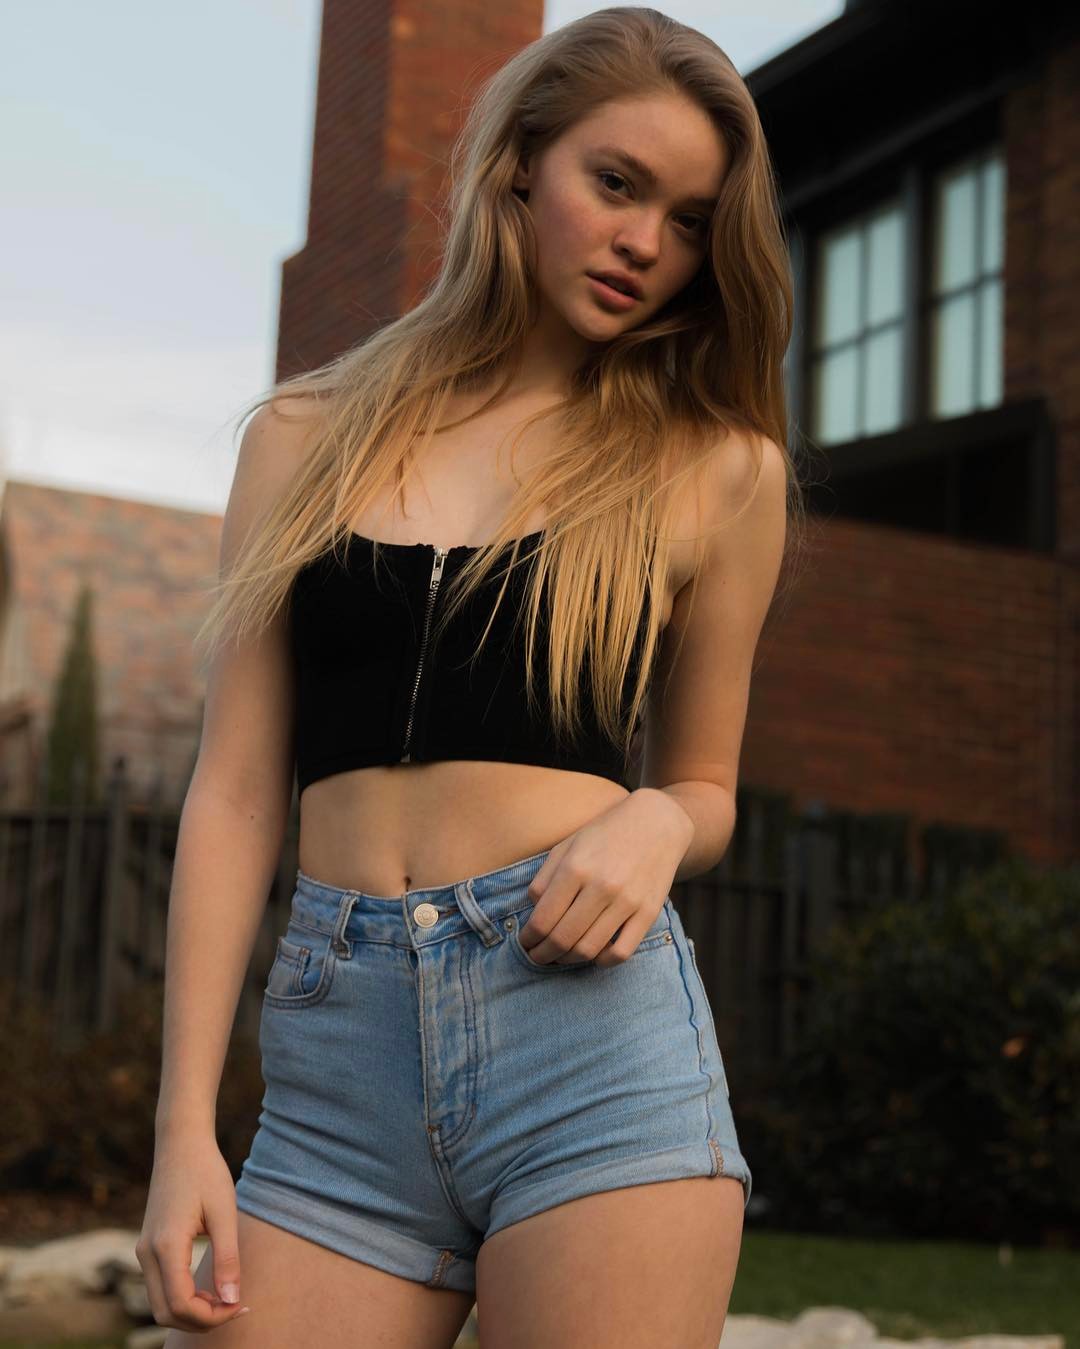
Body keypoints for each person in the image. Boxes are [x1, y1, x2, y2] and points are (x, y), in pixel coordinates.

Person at [137, 5, 802, 1344]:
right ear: (519, 167)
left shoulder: (717, 469)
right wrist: (183, 1128)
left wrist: (658, 820)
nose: (645, 242)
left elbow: (706, 784)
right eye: (616, 184)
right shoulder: (301, 438)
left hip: (592, 1050)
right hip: (335, 1071)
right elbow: (235, 793)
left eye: (687, 221)